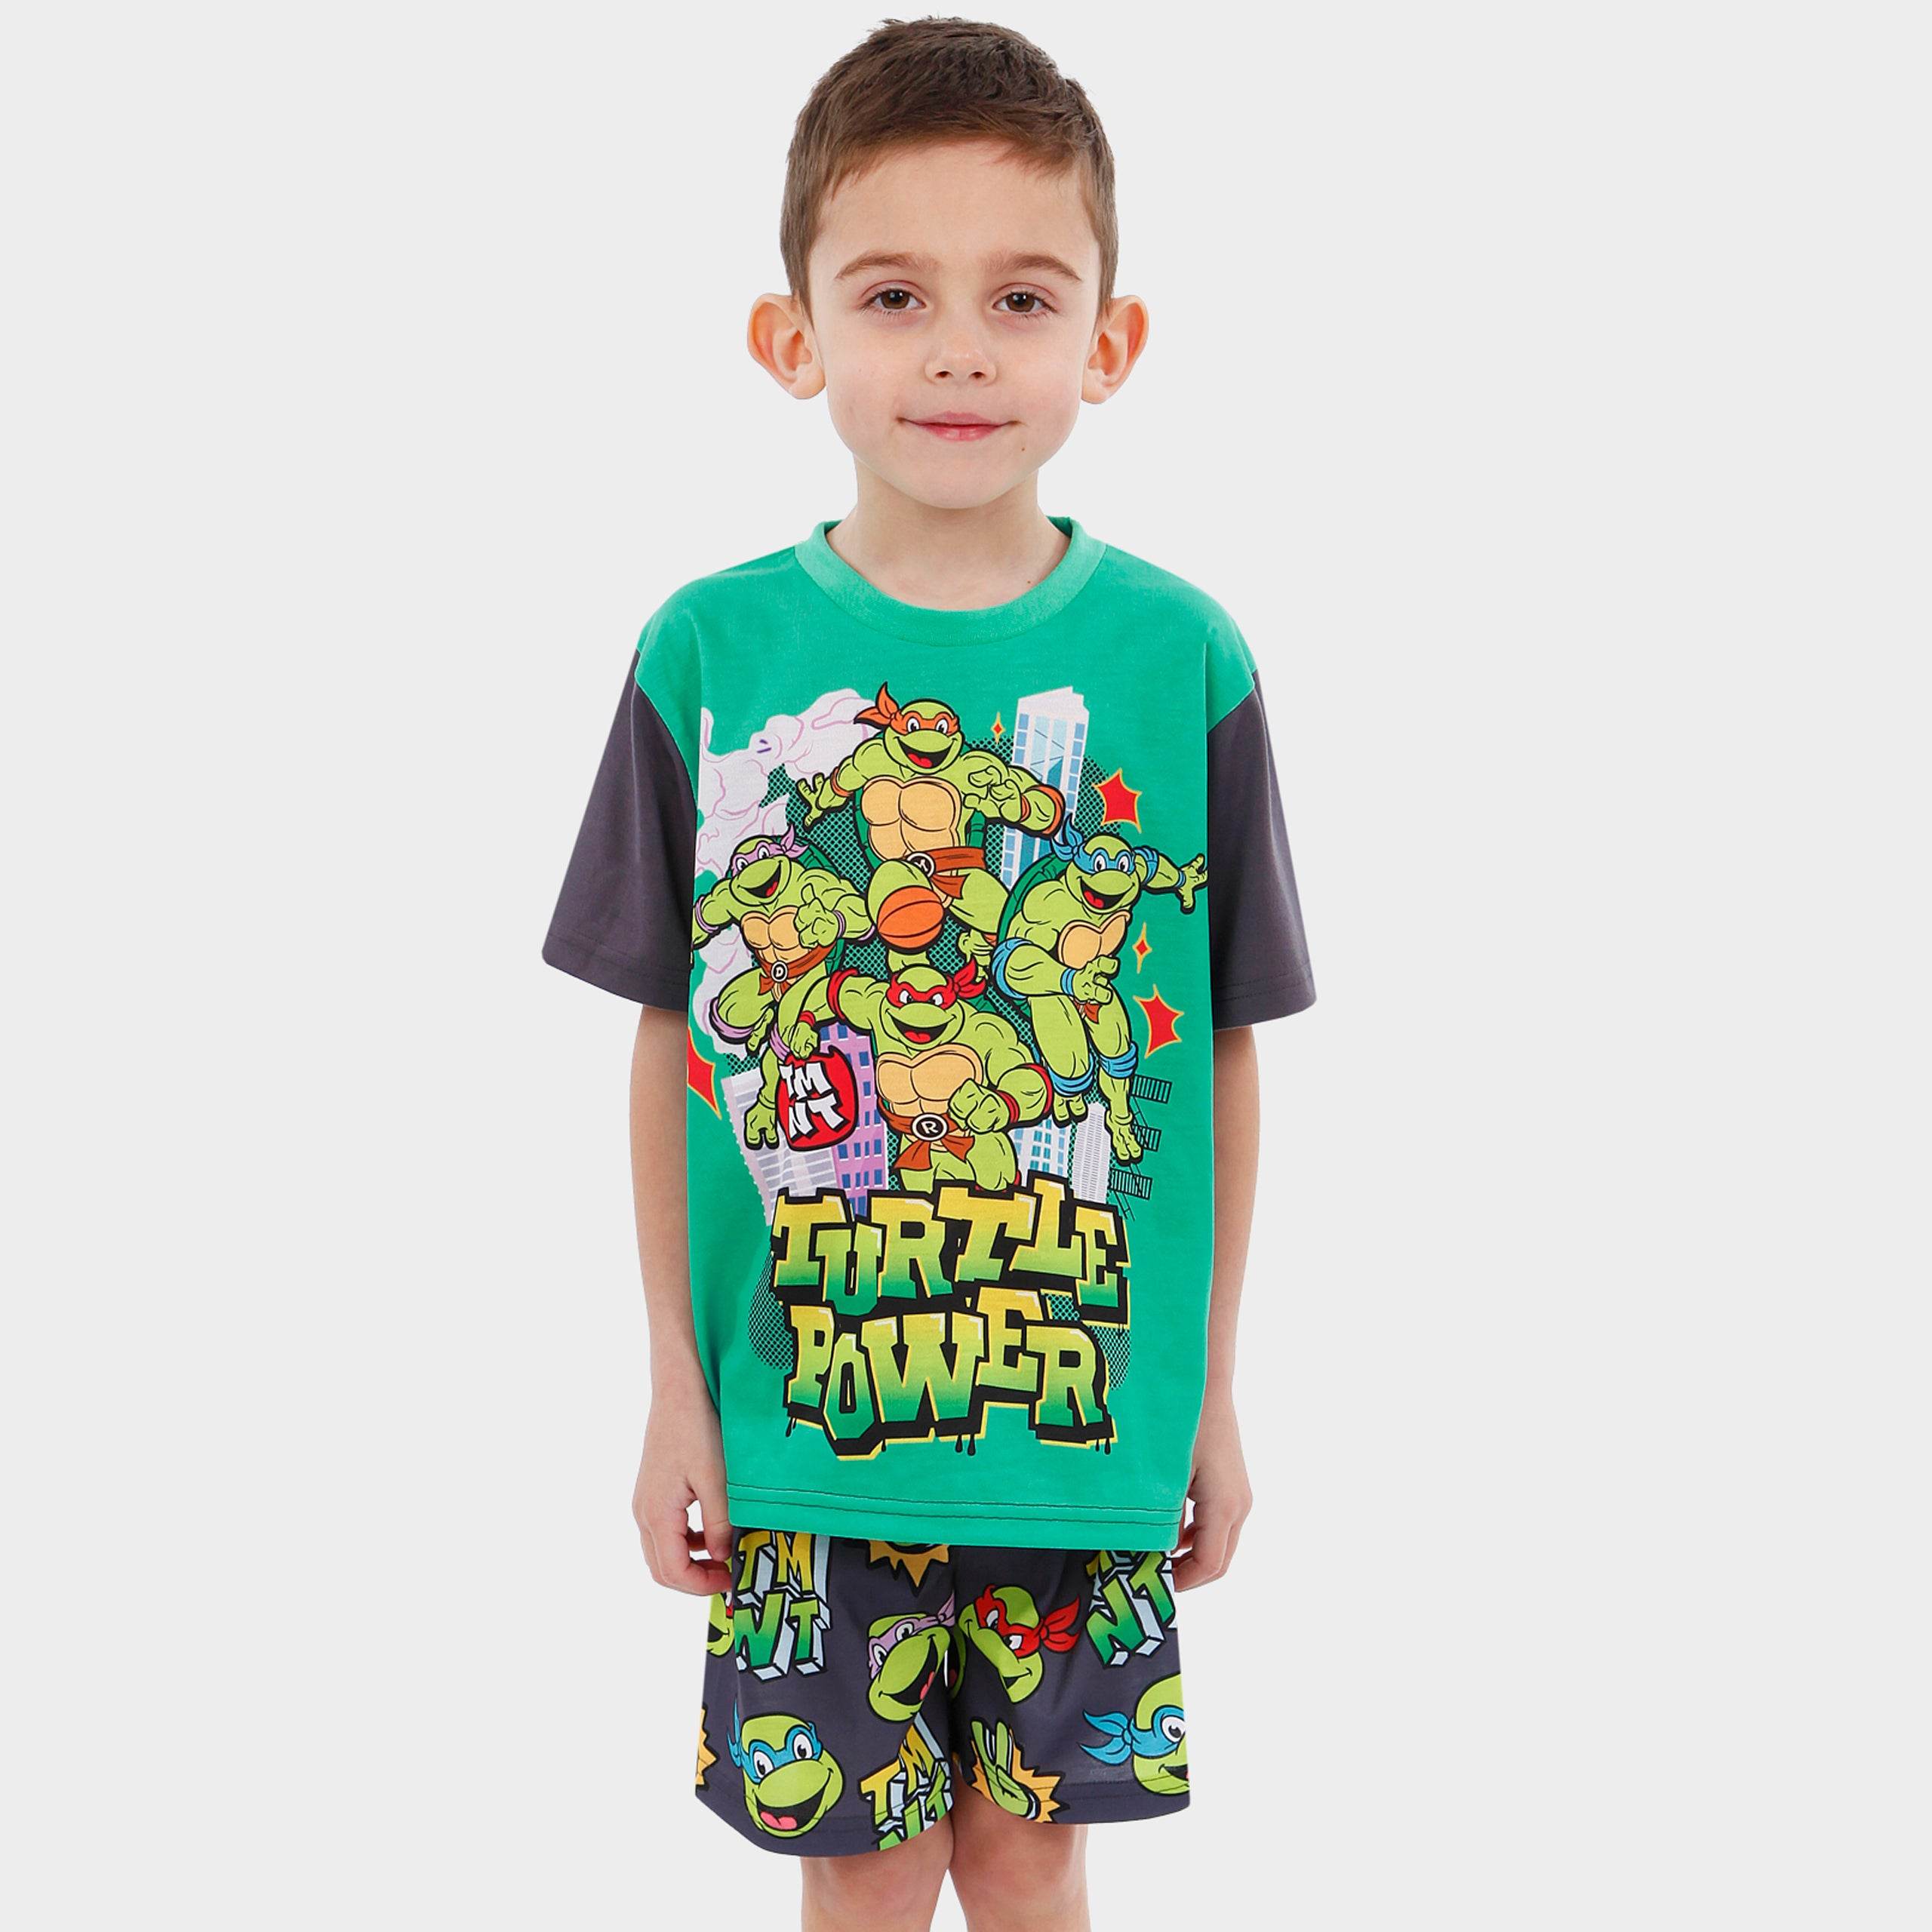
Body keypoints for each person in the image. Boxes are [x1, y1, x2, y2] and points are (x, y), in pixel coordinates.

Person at [543, 18, 1315, 1929]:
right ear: (791, 335)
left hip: (1080, 1423)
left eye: (1019, 296)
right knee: (862, 1863)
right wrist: (673, 1389)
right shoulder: (707, 652)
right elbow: (671, 1031)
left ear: (1106, 344)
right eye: (894, 294)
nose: (958, 349)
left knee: (1029, 1859)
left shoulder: (1182, 659)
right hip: (805, 1428)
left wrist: (1210, 1395)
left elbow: (1217, 1048)